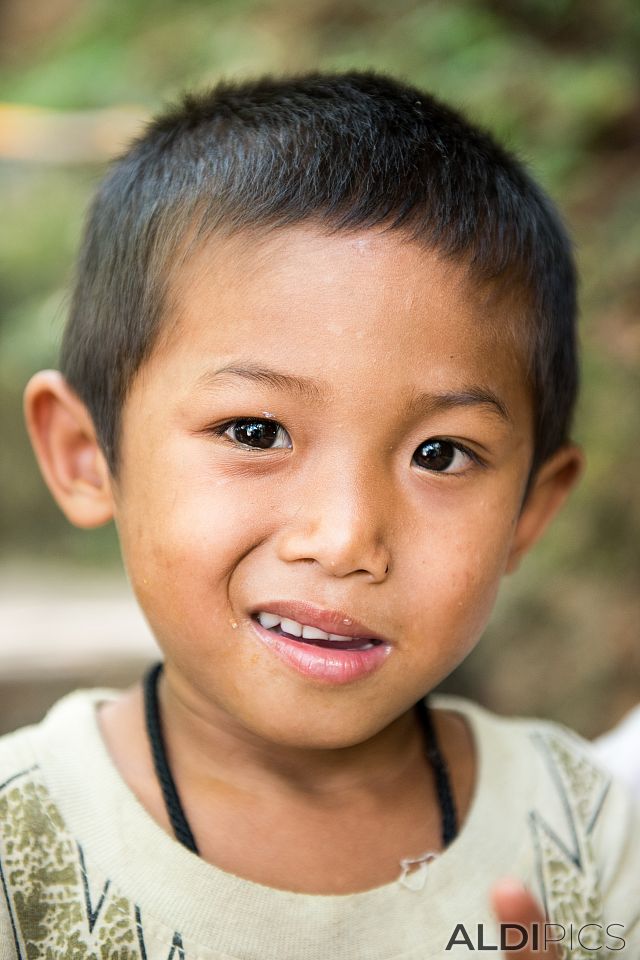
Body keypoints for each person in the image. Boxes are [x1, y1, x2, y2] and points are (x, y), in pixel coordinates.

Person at [2, 71, 638, 958]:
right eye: (256, 431)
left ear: (531, 510)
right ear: (84, 454)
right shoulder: (20, 847)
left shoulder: (593, 837)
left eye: (441, 454)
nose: (345, 541)